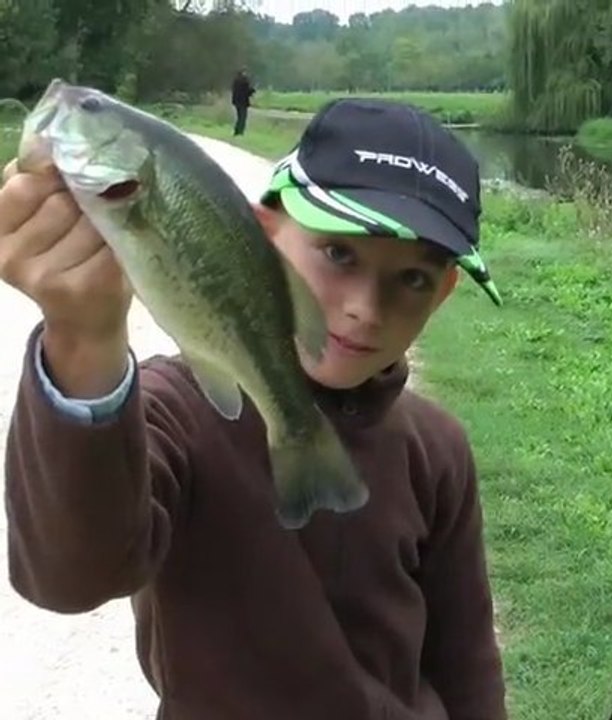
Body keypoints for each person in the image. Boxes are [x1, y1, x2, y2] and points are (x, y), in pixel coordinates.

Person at [0, 98, 506, 719]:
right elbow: (69, 577)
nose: (363, 309)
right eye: (339, 254)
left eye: (412, 279)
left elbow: (467, 662)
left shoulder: (440, 448)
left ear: (445, 292)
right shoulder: (175, 412)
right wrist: (83, 338)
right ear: (263, 234)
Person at [231, 68, 255, 136]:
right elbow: (247, 91)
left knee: (239, 116)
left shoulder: (235, 80)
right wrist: (252, 91)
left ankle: (237, 130)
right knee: (243, 117)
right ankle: (240, 131)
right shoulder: (245, 81)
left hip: (236, 101)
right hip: (243, 102)